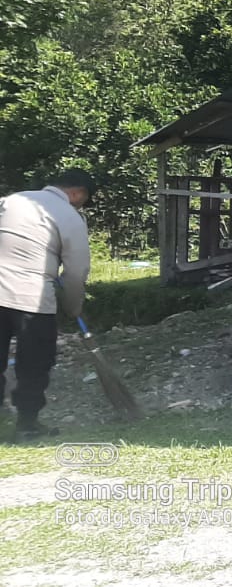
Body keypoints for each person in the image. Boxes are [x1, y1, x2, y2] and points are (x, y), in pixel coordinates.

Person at [0, 169, 93, 443]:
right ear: (77, 193)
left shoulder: (11, 201)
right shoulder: (69, 216)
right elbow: (77, 272)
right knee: (33, 365)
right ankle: (27, 426)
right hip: (32, 298)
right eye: (83, 200)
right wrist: (73, 307)